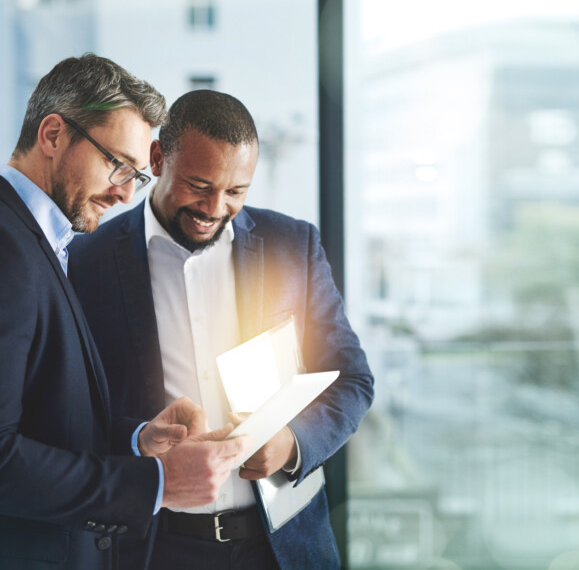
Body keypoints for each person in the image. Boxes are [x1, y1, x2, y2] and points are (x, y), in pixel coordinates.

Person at [69, 89, 375, 570]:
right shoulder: (85, 262)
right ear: (157, 157)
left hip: (284, 547)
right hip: (153, 547)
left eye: (235, 192)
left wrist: (293, 444)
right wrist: (141, 439)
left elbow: (353, 381)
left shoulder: (293, 245)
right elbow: (71, 415)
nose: (214, 207)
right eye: (199, 185)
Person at [0, 55, 251, 570]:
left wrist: (139, 439)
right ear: (52, 135)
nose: (124, 193)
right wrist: (156, 483)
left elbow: (39, 420)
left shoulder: (44, 241)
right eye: (117, 165)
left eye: (137, 174)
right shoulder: (7, 248)